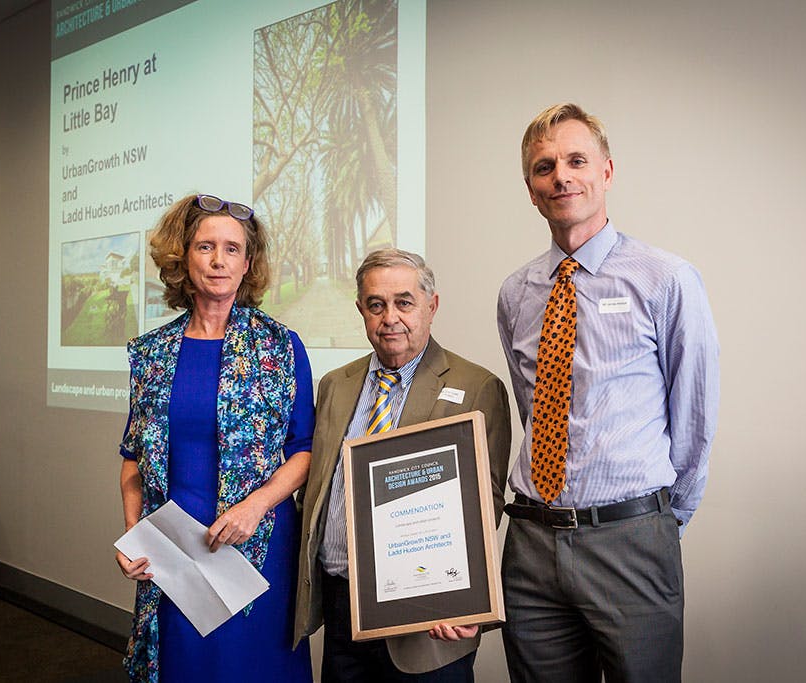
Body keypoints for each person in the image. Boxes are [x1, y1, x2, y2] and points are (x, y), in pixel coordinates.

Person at [497, 103, 720, 682]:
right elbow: (536, 410)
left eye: (576, 160)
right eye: (545, 167)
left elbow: (694, 419)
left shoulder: (665, 278)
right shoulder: (516, 293)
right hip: (530, 544)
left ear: (607, 172)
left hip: (630, 539)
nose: (561, 176)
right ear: (530, 188)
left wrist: (659, 522)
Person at [116, 194, 314, 683]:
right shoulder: (152, 354)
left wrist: (255, 507)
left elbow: (304, 451)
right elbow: (131, 461)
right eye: (206, 246)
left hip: (258, 546)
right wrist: (133, 538)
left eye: (232, 248)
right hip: (175, 553)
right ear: (183, 257)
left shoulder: (280, 346)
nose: (219, 260)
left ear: (248, 263)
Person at [294, 248, 511, 682]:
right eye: (376, 305)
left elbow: (483, 505)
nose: (389, 317)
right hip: (342, 612)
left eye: (404, 302)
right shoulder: (336, 385)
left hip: (427, 621)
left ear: (432, 306)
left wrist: (464, 602)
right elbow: (318, 491)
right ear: (361, 311)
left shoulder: (476, 387)